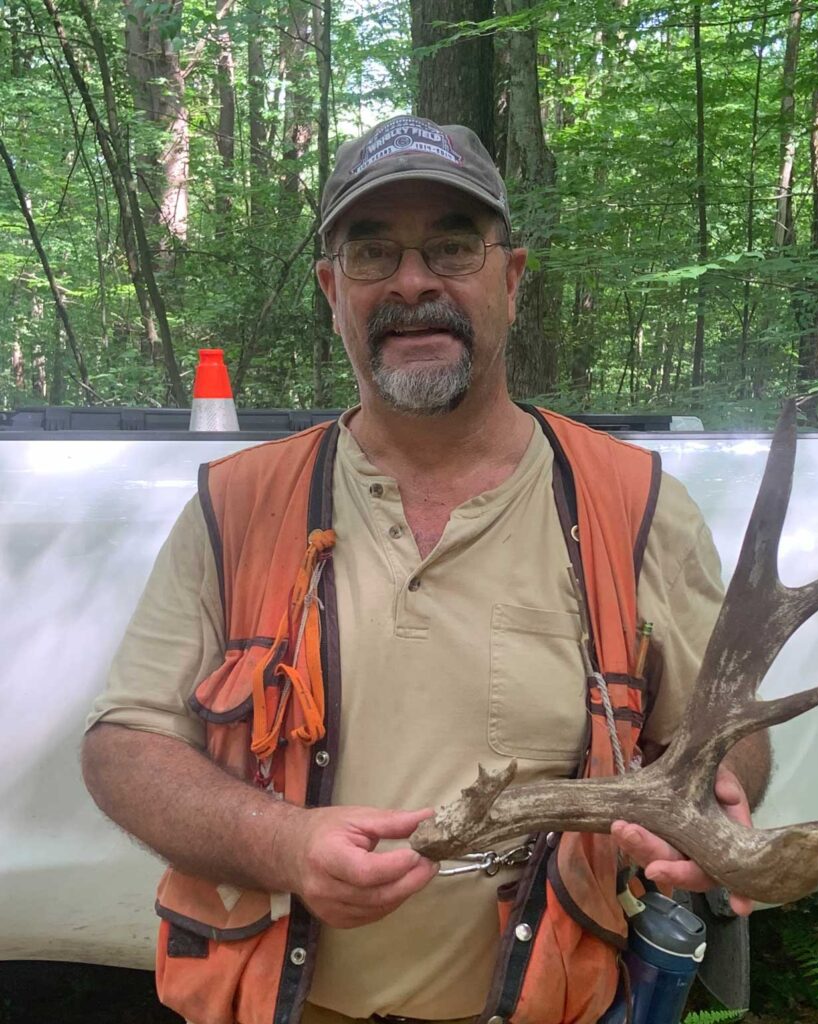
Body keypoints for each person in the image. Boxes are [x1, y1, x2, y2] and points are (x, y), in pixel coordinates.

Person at [82, 115, 770, 1024]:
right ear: (331, 290)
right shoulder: (238, 507)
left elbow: (730, 742)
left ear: (511, 279)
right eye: (372, 253)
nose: (412, 282)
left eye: (451, 247)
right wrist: (281, 843)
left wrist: (712, 798)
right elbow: (122, 747)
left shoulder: (632, 507)